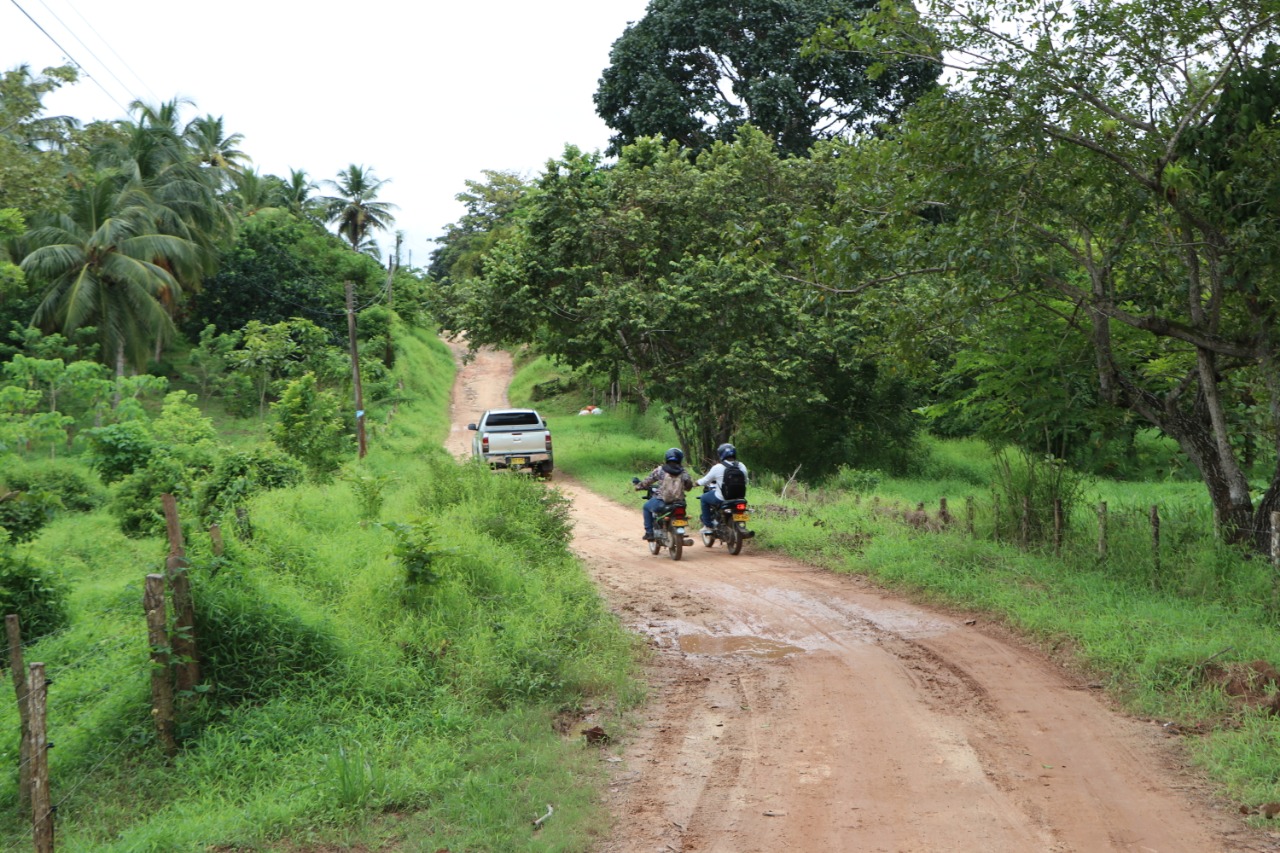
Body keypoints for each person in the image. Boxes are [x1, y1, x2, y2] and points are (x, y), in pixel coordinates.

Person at [635, 447, 695, 540]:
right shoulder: (683, 472)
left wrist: (639, 486)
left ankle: (649, 533)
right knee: (681, 515)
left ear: (667, 458)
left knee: (646, 507)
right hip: (679, 502)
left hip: (661, 501)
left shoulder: (660, 470)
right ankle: (680, 530)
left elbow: (648, 481)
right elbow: (689, 487)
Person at [696, 443, 749, 534]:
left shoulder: (718, 467)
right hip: (739, 498)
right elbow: (746, 481)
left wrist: (696, 483)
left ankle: (708, 526)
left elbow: (705, 480)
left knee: (704, 498)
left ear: (721, 455)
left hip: (722, 498)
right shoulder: (741, 466)